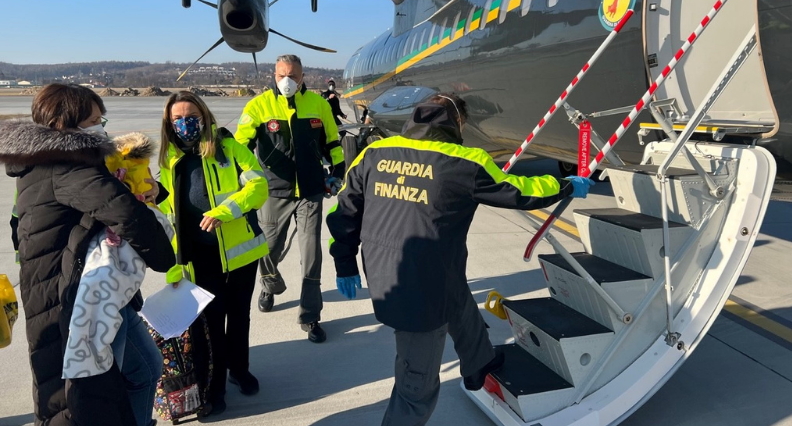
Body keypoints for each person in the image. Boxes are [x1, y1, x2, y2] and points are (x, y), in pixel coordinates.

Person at [326, 93, 594, 426]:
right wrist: (565, 185)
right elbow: (519, 190)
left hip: (397, 268)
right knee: (415, 387)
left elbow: (344, 210)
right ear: (457, 122)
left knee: (458, 300)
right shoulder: (462, 160)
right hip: (416, 290)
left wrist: (345, 261)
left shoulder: (374, 152)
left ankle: (478, 363)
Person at [0, 83, 175, 426]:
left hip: (99, 290)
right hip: (75, 298)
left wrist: (151, 188)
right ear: (64, 125)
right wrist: (164, 257)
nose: (102, 127)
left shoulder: (50, 161)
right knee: (89, 395)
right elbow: (125, 213)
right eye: (94, 120)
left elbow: (103, 201)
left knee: (146, 368)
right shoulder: (64, 166)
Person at [158, 91, 269, 416]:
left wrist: (225, 211)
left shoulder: (229, 148)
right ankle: (214, 388)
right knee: (208, 325)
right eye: (177, 119)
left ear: (203, 116)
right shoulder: (169, 160)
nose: (184, 124)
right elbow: (169, 210)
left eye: (190, 116)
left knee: (238, 316)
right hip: (199, 257)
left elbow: (258, 185)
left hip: (240, 253)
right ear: (169, 124)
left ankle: (240, 370)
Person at [235, 54, 345, 343]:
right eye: (282, 74)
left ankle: (310, 315)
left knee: (311, 253)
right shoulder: (258, 106)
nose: (287, 81)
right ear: (274, 75)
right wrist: (244, 178)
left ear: (303, 76)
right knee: (267, 248)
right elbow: (241, 147)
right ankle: (269, 285)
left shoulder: (319, 105)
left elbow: (333, 142)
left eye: (293, 75)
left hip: (310, 191)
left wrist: (338, 172)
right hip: (274, 191)